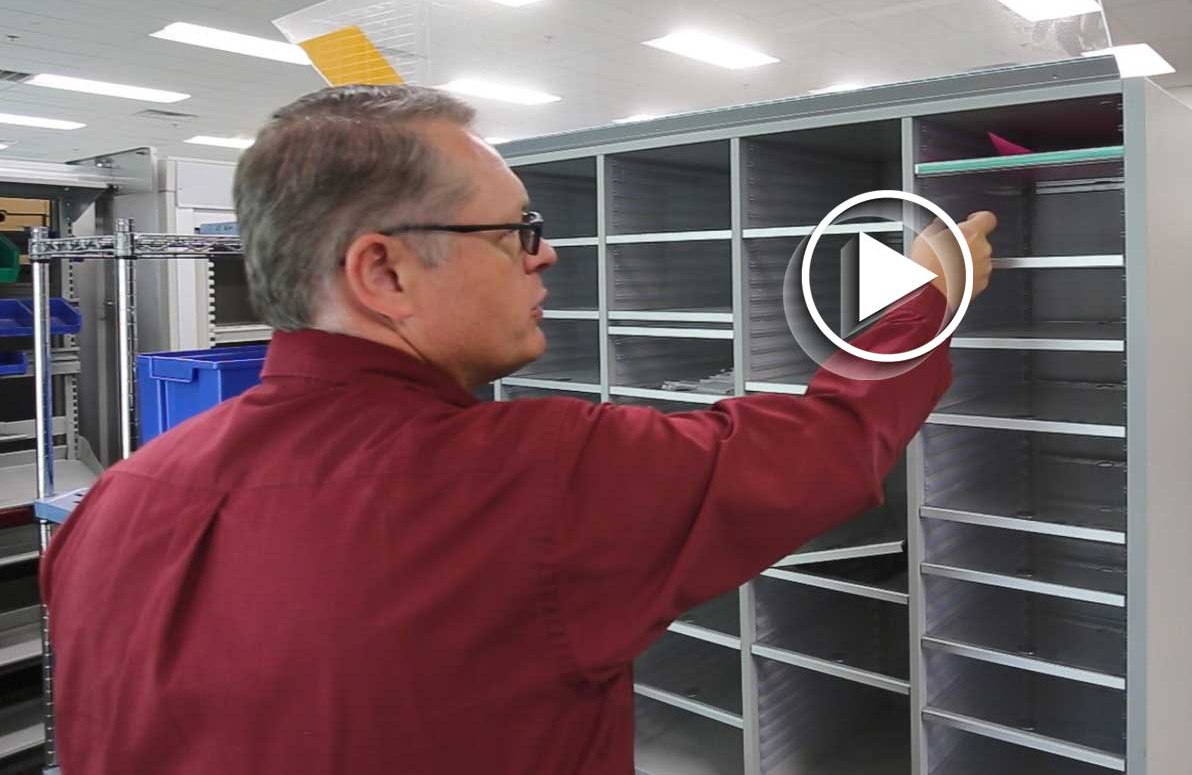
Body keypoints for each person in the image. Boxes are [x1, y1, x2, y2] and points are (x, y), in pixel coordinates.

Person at [40, 84, 995, 774]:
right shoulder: (529, 476)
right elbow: (826, 442)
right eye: (513, 232)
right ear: (385, 274)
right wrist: (927, 296)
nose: (548, 255)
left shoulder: (118, 499)